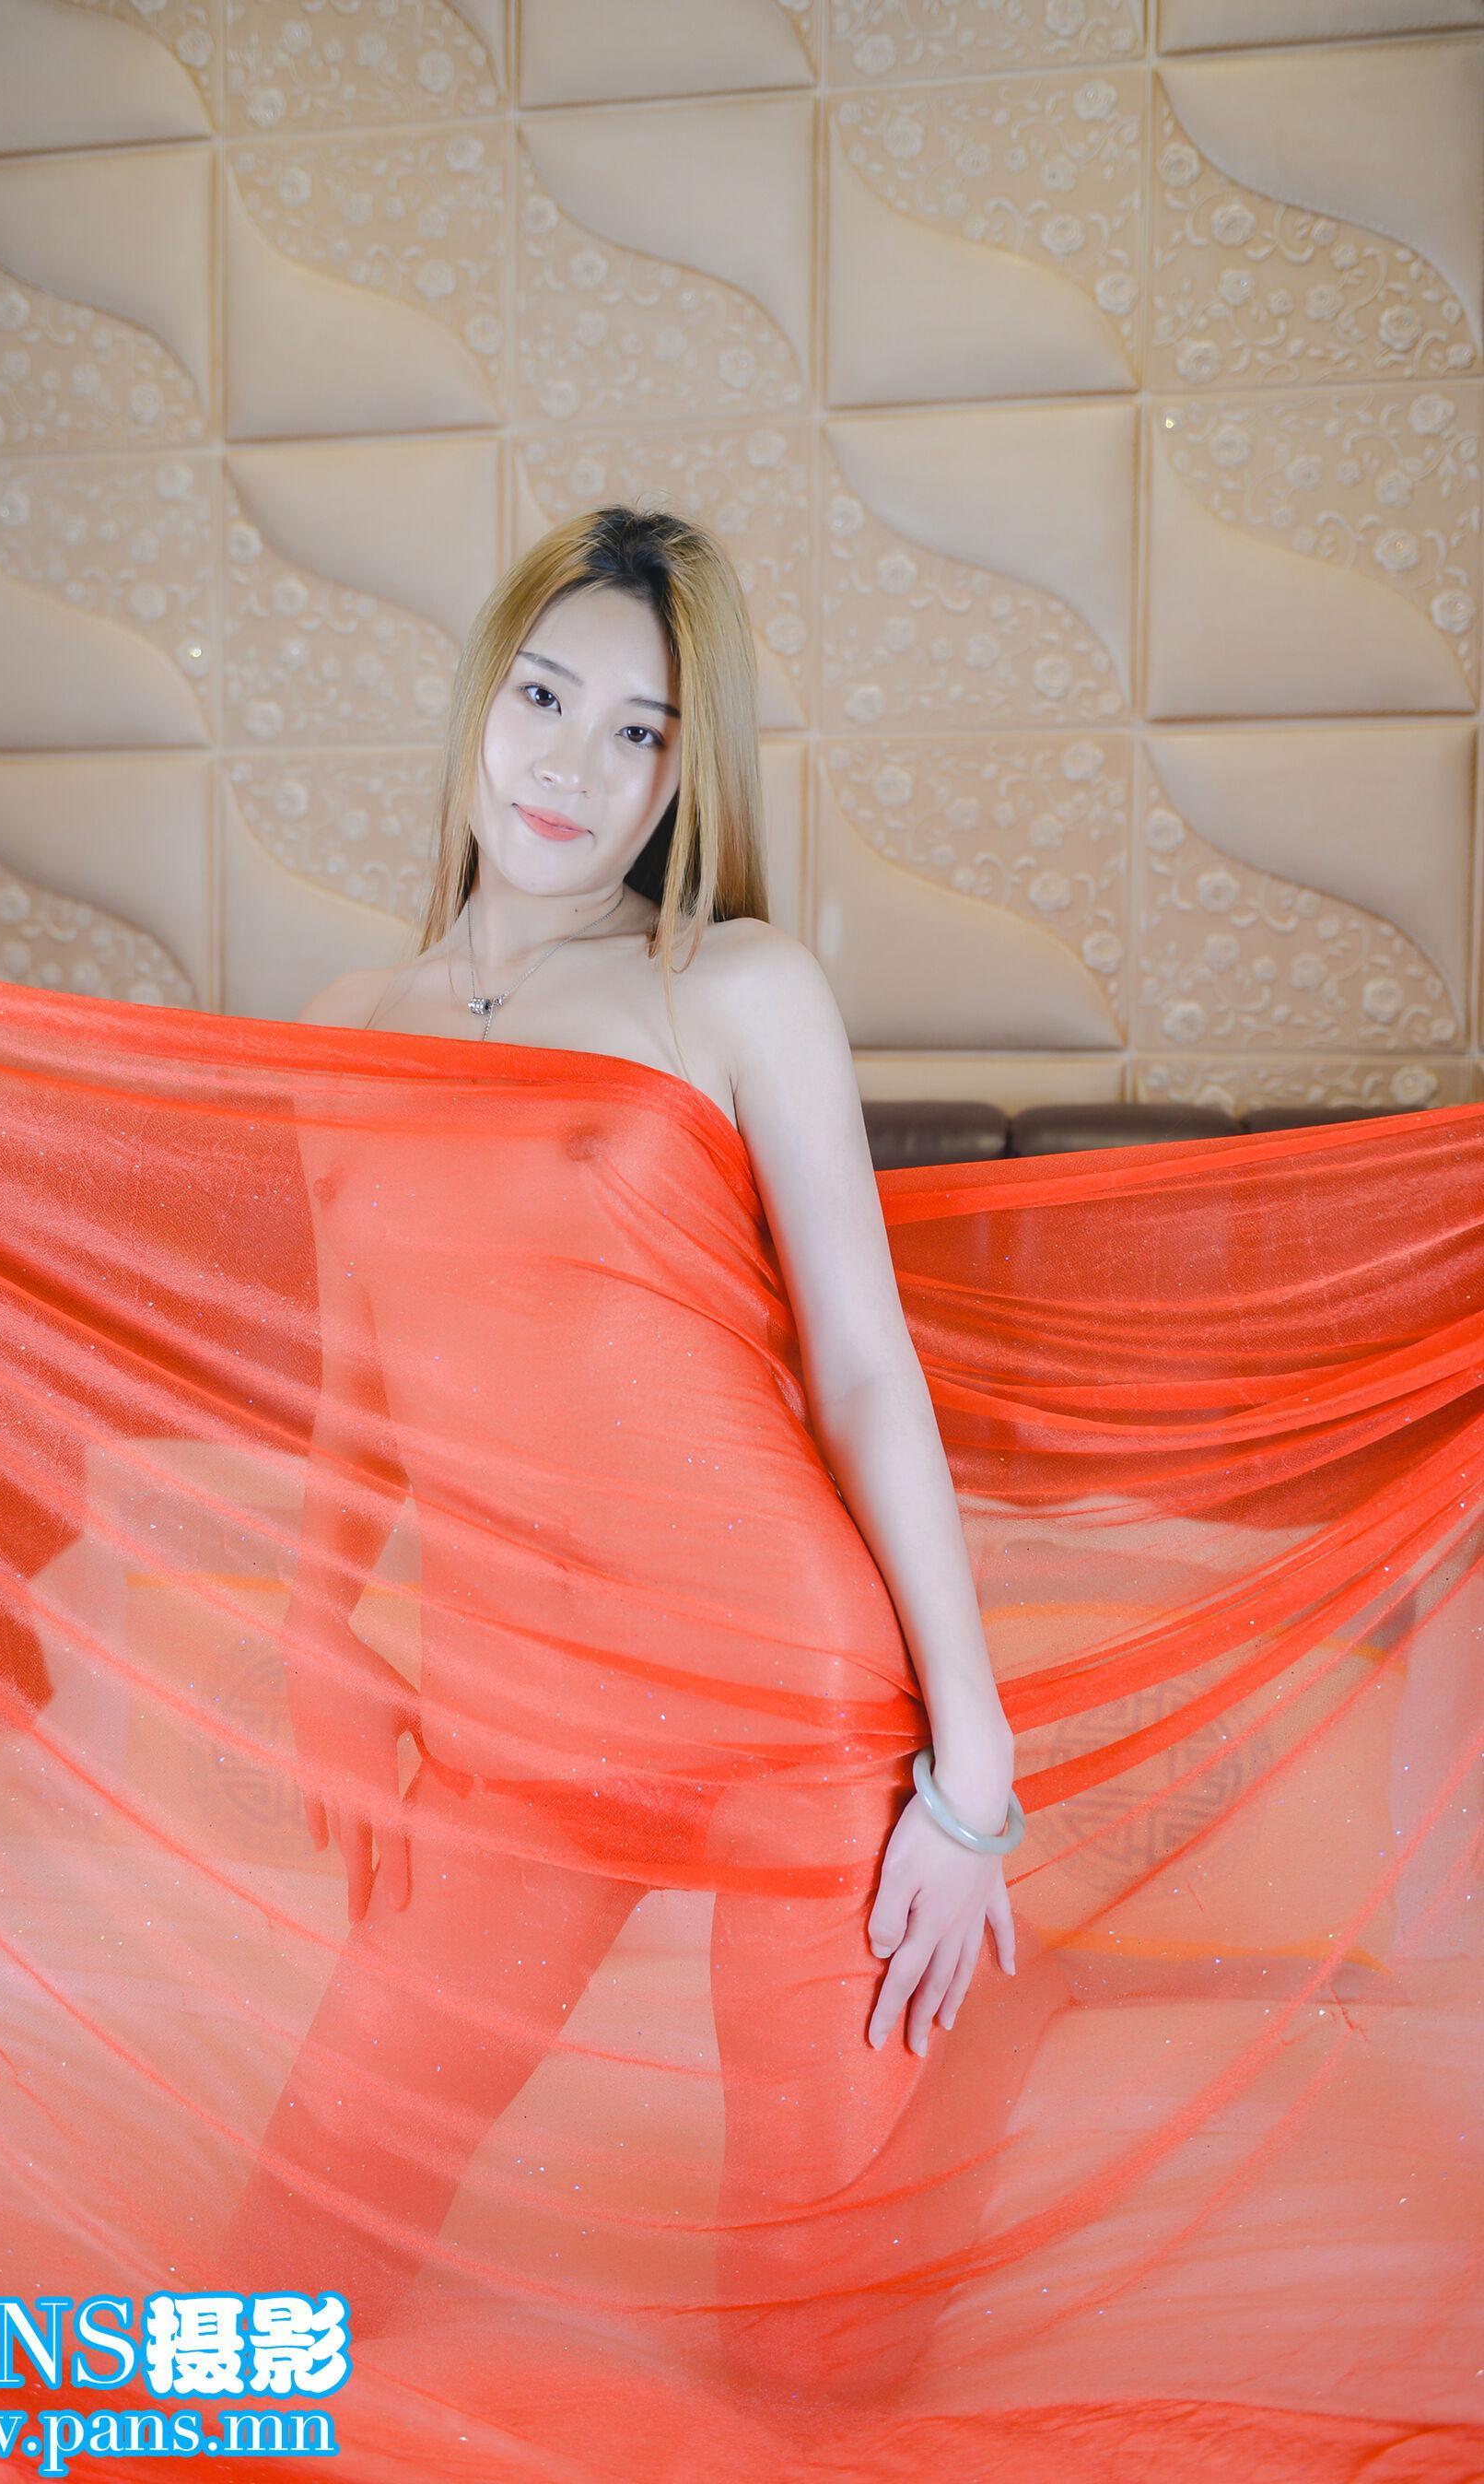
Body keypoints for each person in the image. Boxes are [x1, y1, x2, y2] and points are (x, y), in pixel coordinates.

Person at [214, 504, 1045, 2415]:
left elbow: (864, 1372)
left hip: (789, 1716)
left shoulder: (734, 985)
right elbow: (365, 1383)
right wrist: (314, 1620)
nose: (572, 769)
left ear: (684, 774)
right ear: (478, 700)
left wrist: (973, 1776)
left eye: (639, 732)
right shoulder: (344, 1029)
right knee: (275, 2292)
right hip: (513, 1724)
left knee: (813, 2370)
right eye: (542, 698)